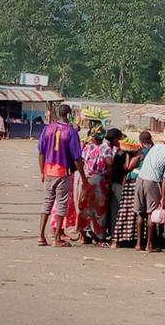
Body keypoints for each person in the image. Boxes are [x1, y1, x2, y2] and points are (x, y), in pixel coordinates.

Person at [37, 104, 89, 247]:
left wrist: (42, 171)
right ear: (69, 114)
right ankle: (57, 238)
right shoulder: (71, 132)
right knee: (61, 204)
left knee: (47, 202)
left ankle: (41, 236)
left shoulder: (47, 129)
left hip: (48, 170)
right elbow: (77, 158)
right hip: (63, 171)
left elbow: (40, 152)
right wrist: (84, 178)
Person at [112, 131, 154, 247]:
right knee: (143, 212)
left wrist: (127, 154)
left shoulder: (140, 152)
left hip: (133, 182)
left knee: (126, 210)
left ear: (140, 141)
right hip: (148, 182)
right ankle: (141, 242)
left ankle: (117, 240)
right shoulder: (153, 151)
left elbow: (128, 167)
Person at [75, 125, 113, 244]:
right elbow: (110, 162)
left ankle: (83, 234)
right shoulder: (105, 148)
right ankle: (98, 235)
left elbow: (81, 161)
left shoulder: (86, 147)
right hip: (99, 180)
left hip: (86, 178)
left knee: (84, 206)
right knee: (99, 209)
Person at [105, 128, 126, 238]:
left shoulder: (112, 149)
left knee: (111, 208)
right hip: (115, 182)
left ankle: (110, 232)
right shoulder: (119, 153)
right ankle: (114, 233)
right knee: (115, 208)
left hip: (111, 181)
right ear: (115, 139)